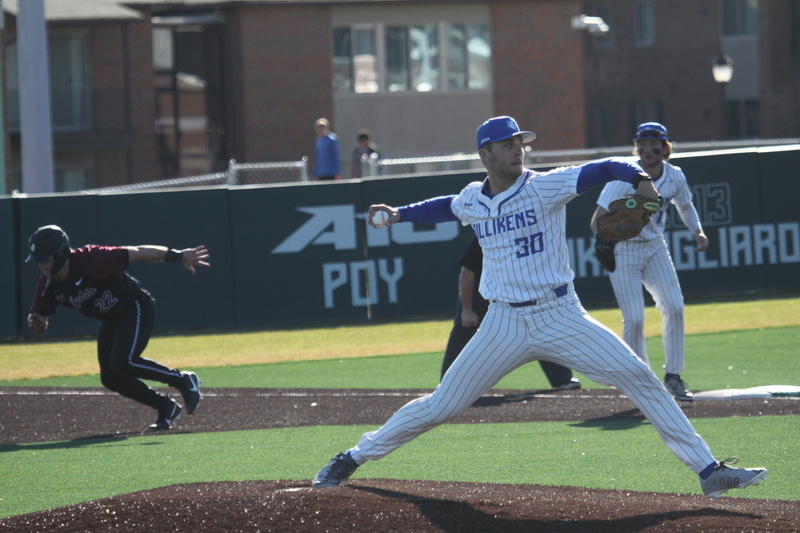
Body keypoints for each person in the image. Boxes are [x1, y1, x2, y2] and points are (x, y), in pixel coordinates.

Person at [311, 116, 766, 498]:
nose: (518, 150)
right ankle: (352, 457)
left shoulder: (546, 186)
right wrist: (399, 214)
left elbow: (606, 167)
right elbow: (446, 207)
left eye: (520, 143)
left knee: (639, 376)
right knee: (441, 406)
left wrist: (641, 179)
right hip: (503, 323)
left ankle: (708, 471)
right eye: (507, 145)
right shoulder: (473, 198)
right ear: (485, 154)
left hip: (560, 316)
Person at [25, 225, 209, 431]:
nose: (40, 263)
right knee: (110, 378)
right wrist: (36, 323)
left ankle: (182, 380)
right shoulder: (47, 284)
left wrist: (179, 256)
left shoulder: (91, 259)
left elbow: (138, 252)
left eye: (44, 258)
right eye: (37, 259)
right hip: (110, 319)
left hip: (134, 305)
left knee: (123, 362)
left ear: (59, 254)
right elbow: (39, 319)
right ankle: (166, 407)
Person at [589, 122, 708, 402]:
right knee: (634, 318)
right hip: (624, 250)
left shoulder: (674, 175)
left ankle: (673, 376)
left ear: (665, 148)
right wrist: (603, 241)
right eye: (642, 145)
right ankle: (640, 381)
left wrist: (698, 231)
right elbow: (597, 219)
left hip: (655, 247)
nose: (647, 149)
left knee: (674, 307)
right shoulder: (624, 176)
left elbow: (685, 205)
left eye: (654, 144)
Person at [442, 233, 581, 390]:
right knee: (467, 327)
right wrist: (467, 310)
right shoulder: (488, 233)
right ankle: (447, 384)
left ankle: (562, 380)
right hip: (481, 288)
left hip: (511, 286)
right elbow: (467, 273)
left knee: (538, 324)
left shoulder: (529, 233)